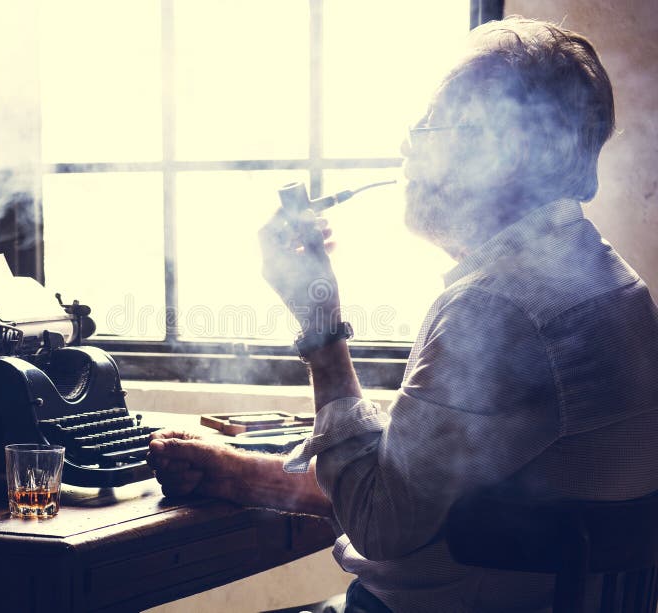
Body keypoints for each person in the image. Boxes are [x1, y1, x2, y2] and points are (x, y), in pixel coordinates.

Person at [148, 16, 658, 613]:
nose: (407, 145)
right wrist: (237, 474)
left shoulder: (493, 307)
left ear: (495, 151)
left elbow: (380, 523)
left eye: (428, 125)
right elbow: (418, 491)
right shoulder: (612, 283)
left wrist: (321, 326)